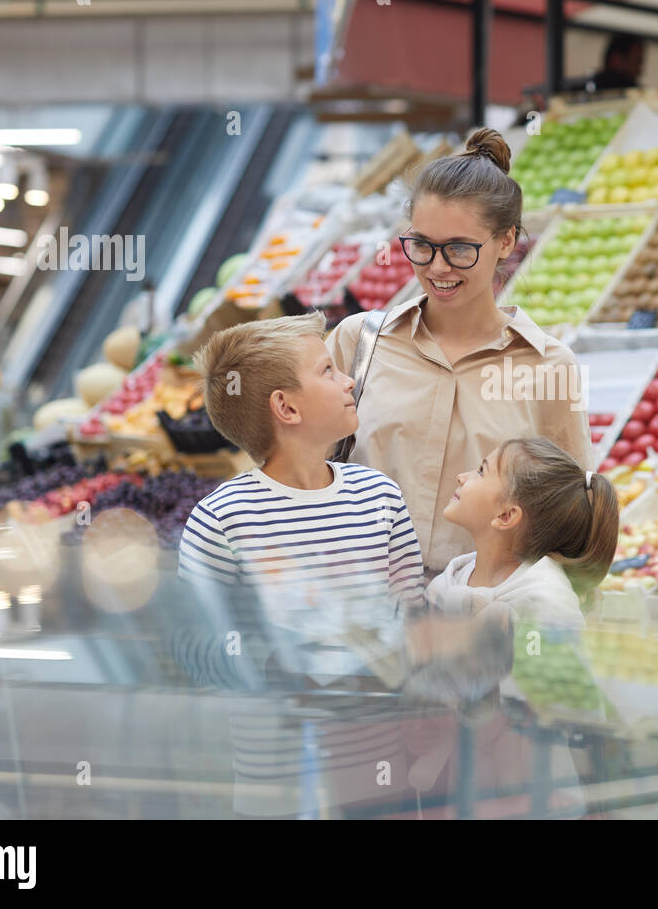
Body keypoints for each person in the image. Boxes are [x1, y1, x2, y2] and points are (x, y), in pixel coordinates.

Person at [326, 128, 594, 576]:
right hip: (363, 609)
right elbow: (300, 468)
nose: (437, 267)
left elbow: (572, 517)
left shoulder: (549, 367)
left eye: (459, 249)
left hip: (484, 619)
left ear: (506, 241)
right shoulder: (358, 343)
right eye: (422, 245)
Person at [178, 312, 424, 654]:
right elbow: (193, 644)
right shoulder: (223, 519)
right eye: (328, 370)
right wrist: (280, 669)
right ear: (286, 407)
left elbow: (413, 615)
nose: (349, 381)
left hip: (377, 703)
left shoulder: (379, 495)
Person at [425, 437, 620, 629]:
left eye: (481, 471)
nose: (461, 476)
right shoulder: (446, 583)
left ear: (506, 515)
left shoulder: (548, 604)